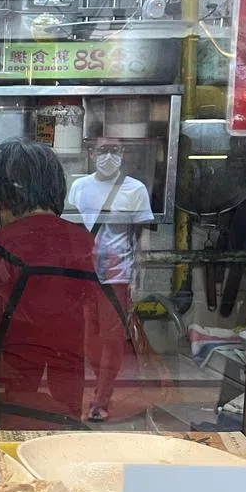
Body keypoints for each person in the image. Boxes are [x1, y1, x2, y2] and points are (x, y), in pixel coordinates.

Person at [0, 139, 127, 429]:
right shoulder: (101, 253)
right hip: (84, 419)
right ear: (58, 190)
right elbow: (112, 345)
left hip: (5, 421)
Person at [66, 137, 154, 421]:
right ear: (91, 152)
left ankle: (101, 399)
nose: (108, 156)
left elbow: (143, 235)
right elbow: (69, 229)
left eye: (114, 150)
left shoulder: (135, 189)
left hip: (116, 274)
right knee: (87, 339)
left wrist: (140, 276)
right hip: (83, 273)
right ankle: (97, 389)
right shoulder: (79, 187)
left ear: (123, 152)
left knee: (112, 339)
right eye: (102, 150)